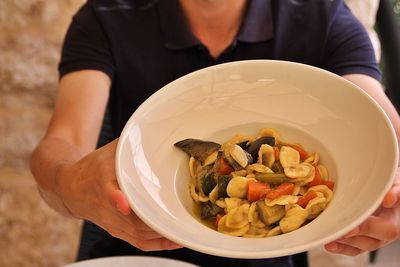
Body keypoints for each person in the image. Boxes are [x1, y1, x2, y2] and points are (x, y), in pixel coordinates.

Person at [30, 0, 400, 266]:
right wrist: (70, 182)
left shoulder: (324, 16)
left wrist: (391, 180)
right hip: (134, 255)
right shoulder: (104, 16)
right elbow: (61, 143)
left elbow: (377, 119)